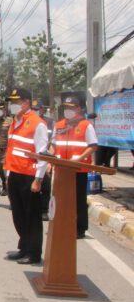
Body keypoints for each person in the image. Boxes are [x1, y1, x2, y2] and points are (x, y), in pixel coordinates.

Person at [3, 88, 48, 265]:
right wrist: (8, 175)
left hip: (29, 176)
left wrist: (38, 179)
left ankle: (34, 252)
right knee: (18, 214)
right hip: (15, 174)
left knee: (32, 217)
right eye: (11, 102)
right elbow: (11, 150)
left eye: (16, 101)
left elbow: (42, 154)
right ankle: (24, 247)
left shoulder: (38, 123)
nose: (12, 105)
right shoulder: (15, 122)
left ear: (26, 102)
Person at [51, 94, 98, 239]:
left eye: (71, 108)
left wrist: (80, 158)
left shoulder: (86, 125)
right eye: (66, 107)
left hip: (78, 169)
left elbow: (93, 146)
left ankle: (80, 228)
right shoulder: (59, 125)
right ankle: (63, 224)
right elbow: (53, 145)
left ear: (78, 109)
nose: (68, 110)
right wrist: (50, 161)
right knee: (61, 198)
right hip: (61, 168)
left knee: (78, 199)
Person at [32, 99, 54, 221]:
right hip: (32, 158)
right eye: (33, 109)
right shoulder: (30, 122)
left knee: (45, 186)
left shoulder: (50, 122)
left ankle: (44, 210)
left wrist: (49, 162)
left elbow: (52, 143)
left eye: (37, 109)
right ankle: (34, 210)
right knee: (33, 185)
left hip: (46, 157)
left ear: (42, 109)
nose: (35, 111)